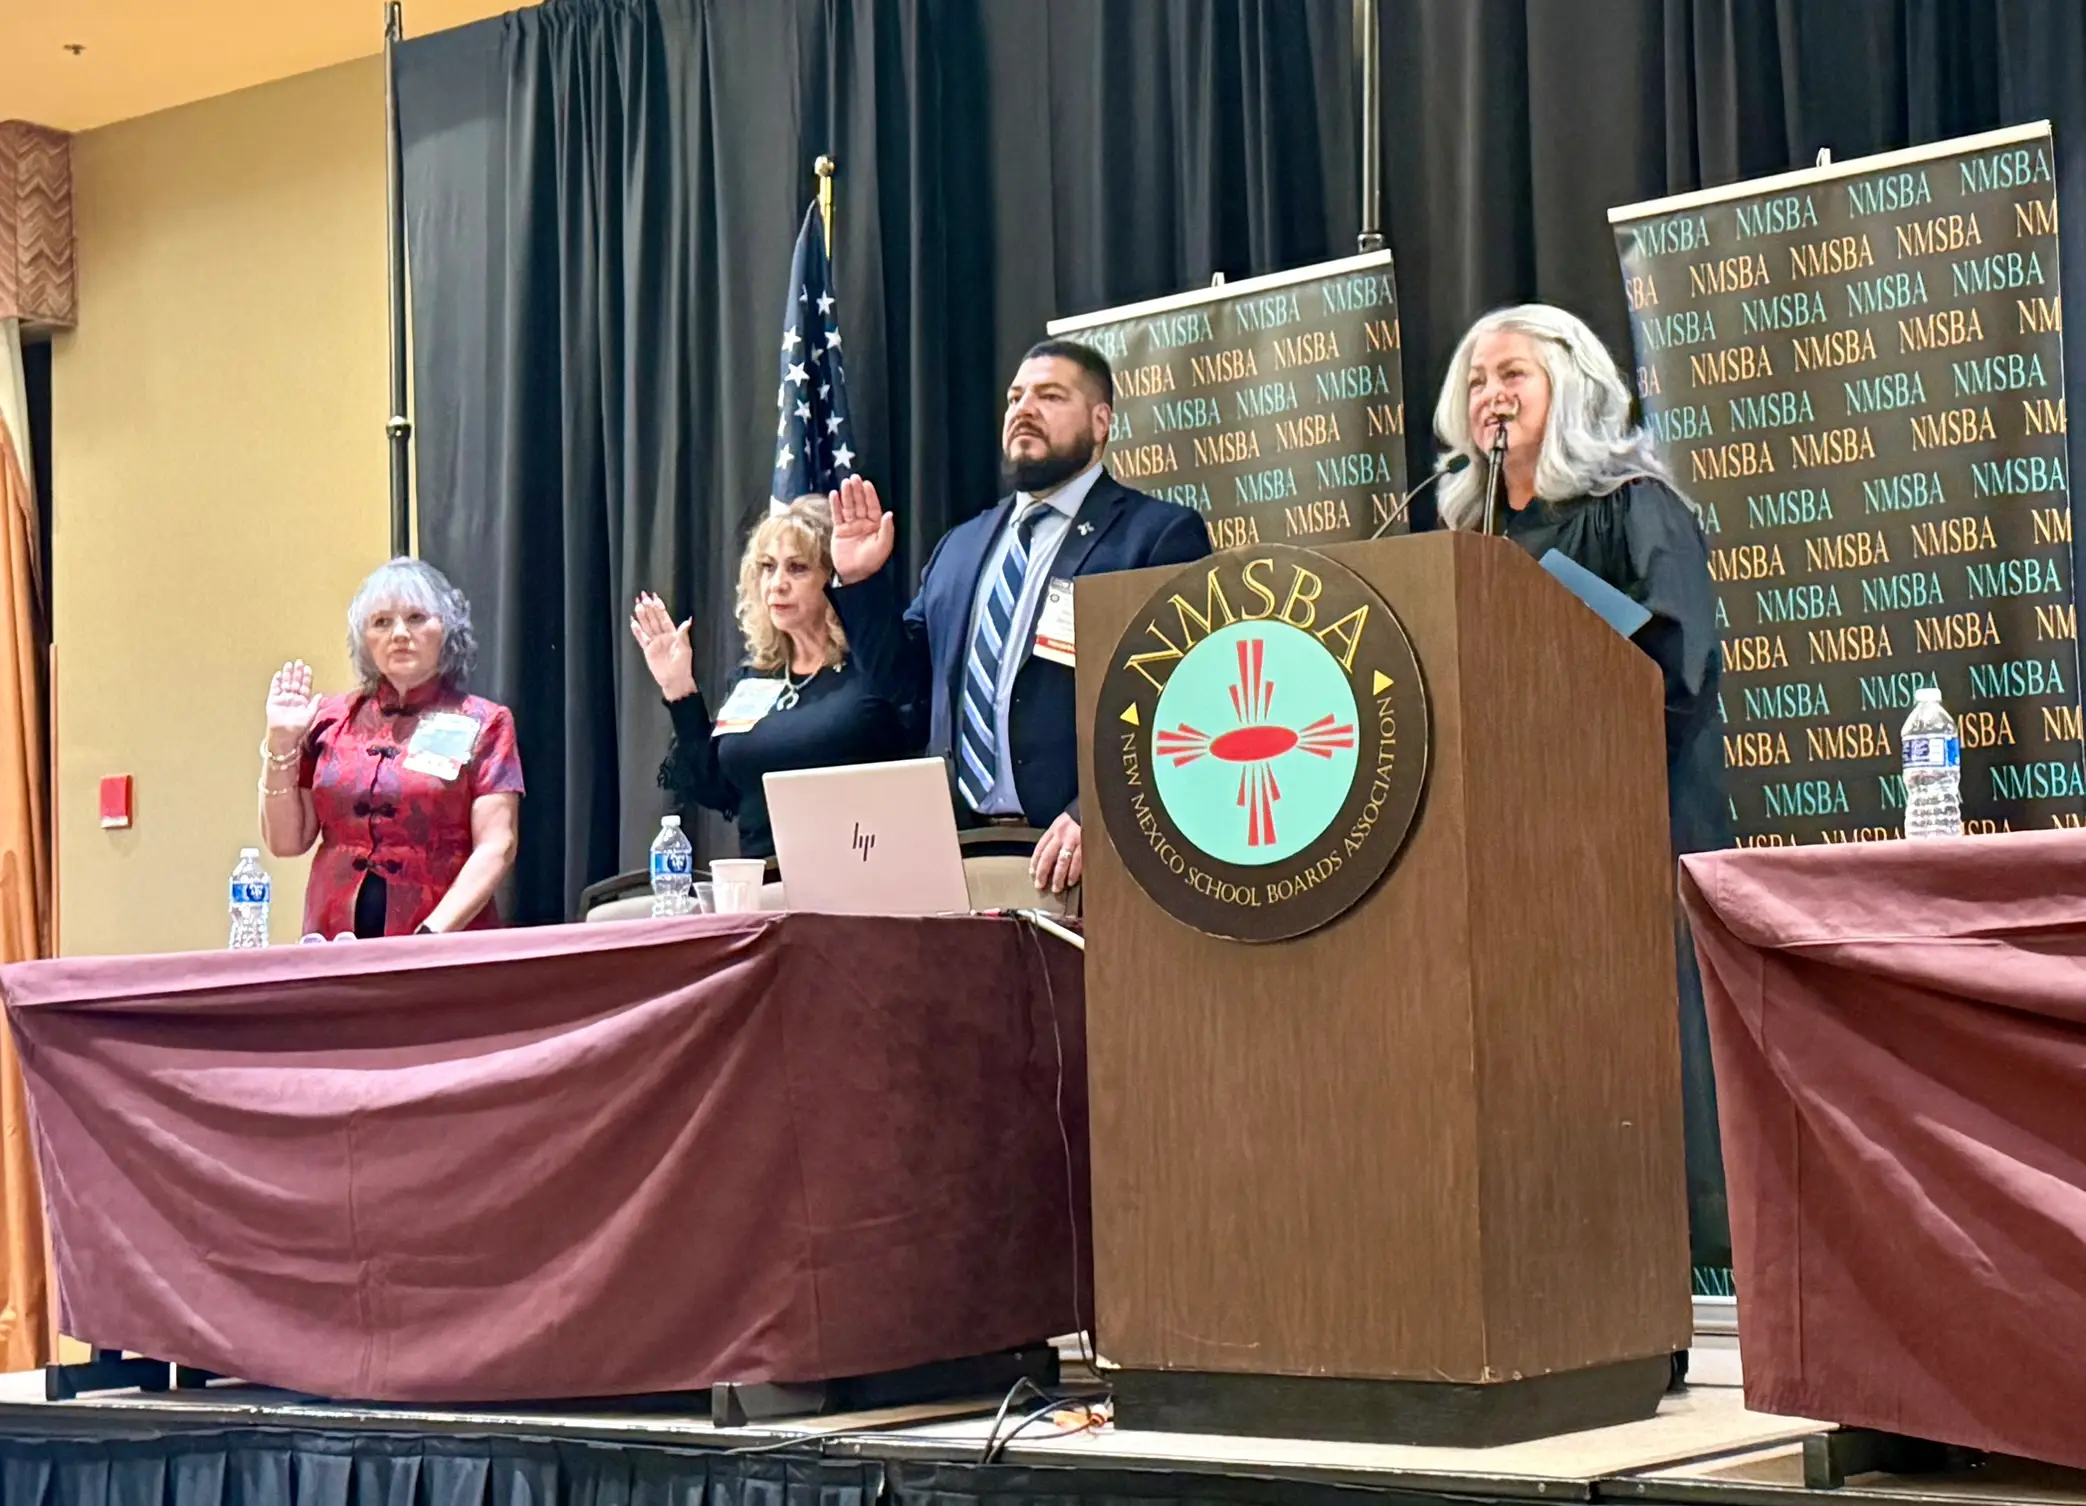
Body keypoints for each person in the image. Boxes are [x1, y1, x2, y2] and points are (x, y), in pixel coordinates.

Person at [1434, 302, 1734, 1292]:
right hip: (1497, 850)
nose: (1492, 397)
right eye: (1478, 381)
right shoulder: (1465, 534)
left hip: (1620, 835)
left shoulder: (1633, 504)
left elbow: (1677, 665)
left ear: (1573, 386)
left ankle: (1672, 1281)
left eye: (1512, 375)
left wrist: (1579, 773)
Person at [827, 339, 1212, 895]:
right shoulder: (960, 547)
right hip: (958, 853)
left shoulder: (1155, 535)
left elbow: (1184, 695)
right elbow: (908, 690)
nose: (1023, 409)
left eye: (1050, 396)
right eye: (1014, 398)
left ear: (1101, 422)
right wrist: (861, 584)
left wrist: (1096, 811)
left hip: (1083, 853)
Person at [632, 495, 915, 858]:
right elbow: (718, 789)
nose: (777, 584)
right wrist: (678, 687)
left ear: (833, 576)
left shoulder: (876, 668)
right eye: (768, 567)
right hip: (762, 887)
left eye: (797, 568)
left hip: (858, 877)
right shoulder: (754, 678)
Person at [260, 557, 524, 938]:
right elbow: (286, 841)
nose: (399, 633)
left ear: (446, 630)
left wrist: (431, 934)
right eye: (381, 622)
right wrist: (281, 743)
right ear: (364, 640)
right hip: (334, 939)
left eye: (416, 617)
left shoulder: (485, 722)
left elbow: (497, 845)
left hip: (441, 941)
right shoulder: (330, 720)